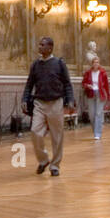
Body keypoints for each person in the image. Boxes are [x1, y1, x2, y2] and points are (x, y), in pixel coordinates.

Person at [22, 36, 74, 177]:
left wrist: (70, 100)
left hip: (56, 102)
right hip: (39, 103)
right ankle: (43, 160)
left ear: (50, 48)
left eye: (42, 45)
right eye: (39, 44)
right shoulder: (35, 65)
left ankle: (55, 165)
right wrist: (24, 99)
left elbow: (67, 83)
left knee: (57, 136)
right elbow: (29, 84)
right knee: (35, 132)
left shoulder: (59, 63)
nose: (39, 47)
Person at [81, 55, 110, 141]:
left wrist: (109, 97)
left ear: (99, 63)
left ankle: (97, 133)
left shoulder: (103, 73)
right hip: (91, 93)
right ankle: (96, 129)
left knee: (98, 113)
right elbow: (83, 83)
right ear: (92, 64)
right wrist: (88, 86)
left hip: (100, 94)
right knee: (91, 115)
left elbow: (106, 86)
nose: (96, 64)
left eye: (97, 62)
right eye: (94, 62)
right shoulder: (88, 73)